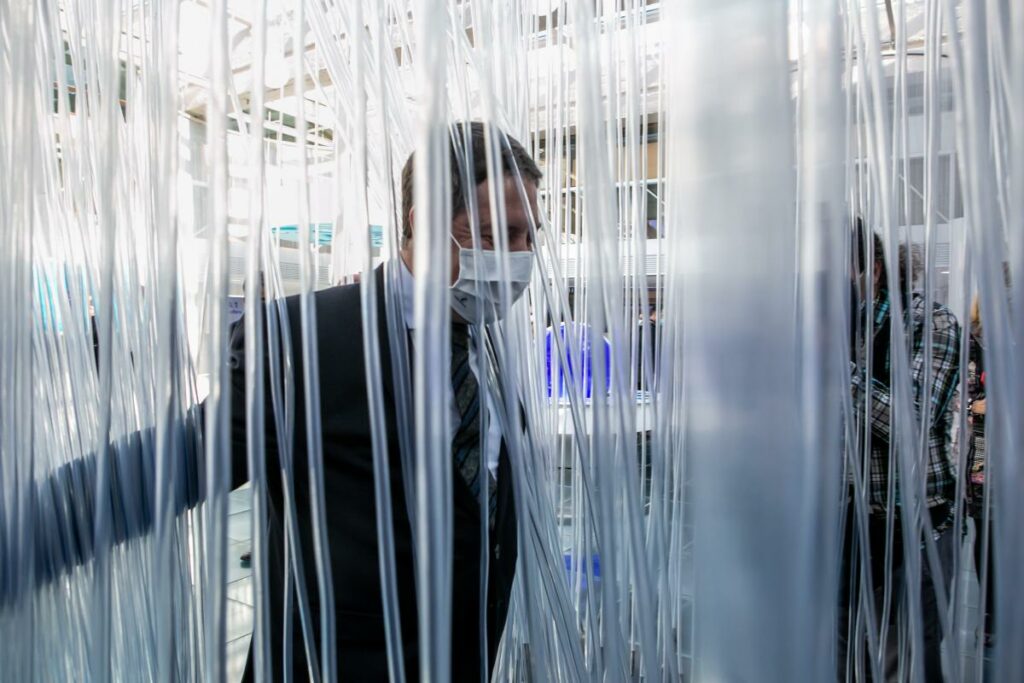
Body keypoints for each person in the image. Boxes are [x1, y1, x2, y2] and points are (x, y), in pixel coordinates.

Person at [230, 121, 542, 681]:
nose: (520, 258)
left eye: (529, 238)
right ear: (422, 225)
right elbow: (186, 454)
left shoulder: (487, 351)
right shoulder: (302, 337)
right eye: (496, 235)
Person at [838, 222, 961, 682]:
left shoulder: (932, 323)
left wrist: (836, 369)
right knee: (848, 639)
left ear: (871, 268)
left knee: (910, 649)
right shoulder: (836, 328)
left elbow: (911, 423)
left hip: (918, 518)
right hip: (851, 518)